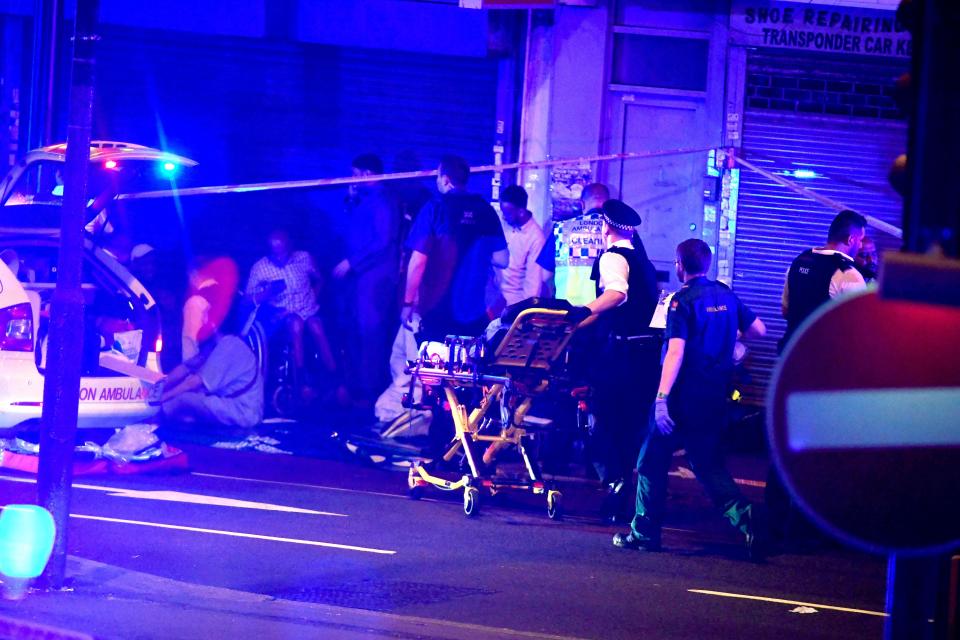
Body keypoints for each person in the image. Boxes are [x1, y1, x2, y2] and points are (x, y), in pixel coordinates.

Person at [611, 238, 766, 557]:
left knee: (651, 461)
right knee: (708, 464)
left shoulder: (681, 301)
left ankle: (644, 533)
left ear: (680, 265)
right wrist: (731, 343)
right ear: (707, 264)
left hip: (682, 396)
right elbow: (759, 330)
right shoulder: (726, 294)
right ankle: (749, 523)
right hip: (713, 397)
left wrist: (661, 400)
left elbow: (676, 352)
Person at [566, 200, 660, 522]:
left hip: (620, 358)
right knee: (633, 429)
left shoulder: (613, 257)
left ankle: (617, 494)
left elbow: (617, 294)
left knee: (606, 425)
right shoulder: (642, 262)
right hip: (646, 358)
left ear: (604, 227)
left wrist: (583, 313)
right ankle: (634, 501)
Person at [401, 154, 508, 343]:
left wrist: (408, 303)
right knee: (467, 366)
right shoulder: (486, 210)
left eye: (437, 177)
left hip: (437, 307)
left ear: (445, 179)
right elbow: (503, 260)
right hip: (474, 310)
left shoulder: (435, 208)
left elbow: (418, 262)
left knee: (435, 366)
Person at [332, 154, 401, 404]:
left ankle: (369, 389)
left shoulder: (384, 201)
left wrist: (353, 262)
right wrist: (351, 198)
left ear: (367, 174)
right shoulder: (364, 199)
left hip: (375, 278)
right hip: (360, 278)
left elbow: (382, 242)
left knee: (370, 331)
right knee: (355, 330)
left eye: (355, 173)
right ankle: (355, 384)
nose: (352, 178)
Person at [245, 228, 338, 400]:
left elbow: (319, 279)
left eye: (283, 252)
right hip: (281, 313)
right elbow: (248, 298)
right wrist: (267, 293)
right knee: (296, 325)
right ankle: (301, 383)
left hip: (308, 309)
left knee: (317, 328)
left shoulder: (303, 258)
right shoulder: (260, 268)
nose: (279, 257)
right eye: (275, 253)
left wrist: (314, 297)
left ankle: (336, 381)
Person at [160, 301, 263, 430]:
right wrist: (158, 387)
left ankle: (152, 420)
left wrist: (161, 398)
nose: (201, 320)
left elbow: (193, 383)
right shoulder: (214, 345)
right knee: (186, 403)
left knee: (184, 399)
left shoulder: (229, 344)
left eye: (205, 316)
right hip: (229, 403)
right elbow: (186, 367)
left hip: (243, 411)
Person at [780, 209, 868, 350]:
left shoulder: (799, 261)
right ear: (851, 239)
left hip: (791, 358)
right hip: (825, 363)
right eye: (861, 240)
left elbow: (785, 311)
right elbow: (859, 331)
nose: (861, 245)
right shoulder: (849, 275)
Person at [536, 183, 610, 306]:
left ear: (582, 204)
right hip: (604, 312)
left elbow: (545, 275)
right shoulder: (619, 230)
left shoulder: (561, 228)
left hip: (566, 312)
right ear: (609, 204)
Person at [496, 184, 547, 307]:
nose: (503, 216)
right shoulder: (503, 223)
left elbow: (533, 284)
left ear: (521, 211)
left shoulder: (536, 237)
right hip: (492, 298)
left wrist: (523, 313)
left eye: (507, 212)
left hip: (512, 304)